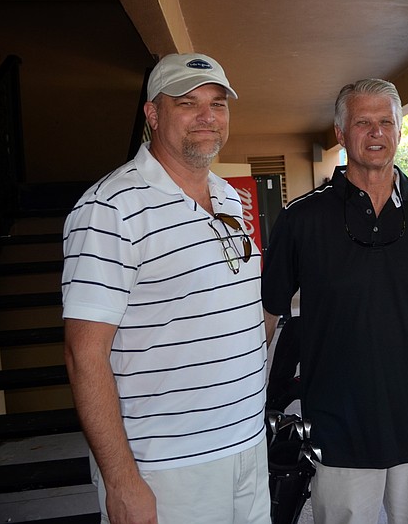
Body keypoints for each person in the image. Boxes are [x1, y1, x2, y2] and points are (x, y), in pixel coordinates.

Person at [62, 53, 272, 524]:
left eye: (217, 104)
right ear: (153, 115)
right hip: (167, 469)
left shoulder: (230, 198)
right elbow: (83, 354)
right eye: (187, 103)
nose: (207, 117)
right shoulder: (109, 208)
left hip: (246, 448)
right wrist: (121, 481)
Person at [261, 78, 408, 524]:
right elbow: (267, 313)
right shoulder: (302, 218)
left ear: (399, 130)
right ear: (340, 134)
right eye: (362, 122)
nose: (376, 133)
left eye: (385, 122)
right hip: (337, 429)